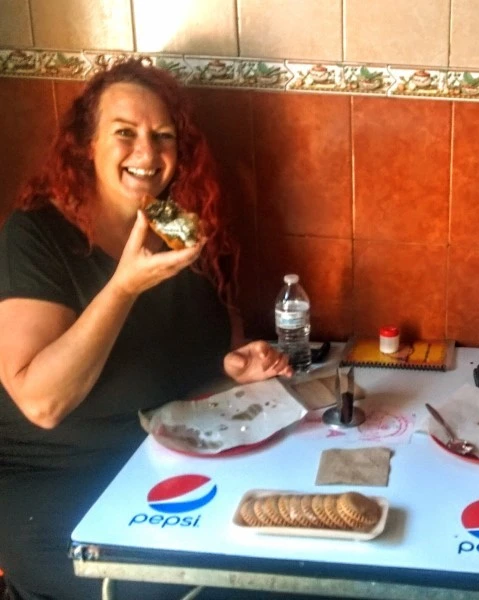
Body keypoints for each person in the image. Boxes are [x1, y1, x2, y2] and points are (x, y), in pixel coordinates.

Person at [0, 59, 292, 600]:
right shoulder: (36, 235)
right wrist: (123, 287)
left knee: (284, 564)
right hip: (54, 481)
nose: (147, 152)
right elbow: (41, 402)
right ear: (87, 145)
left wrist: (231, 365)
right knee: (188, 588)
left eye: (163, 136)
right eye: (125, 133)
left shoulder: (179, 223)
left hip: (158, 463)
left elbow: (209, 336)